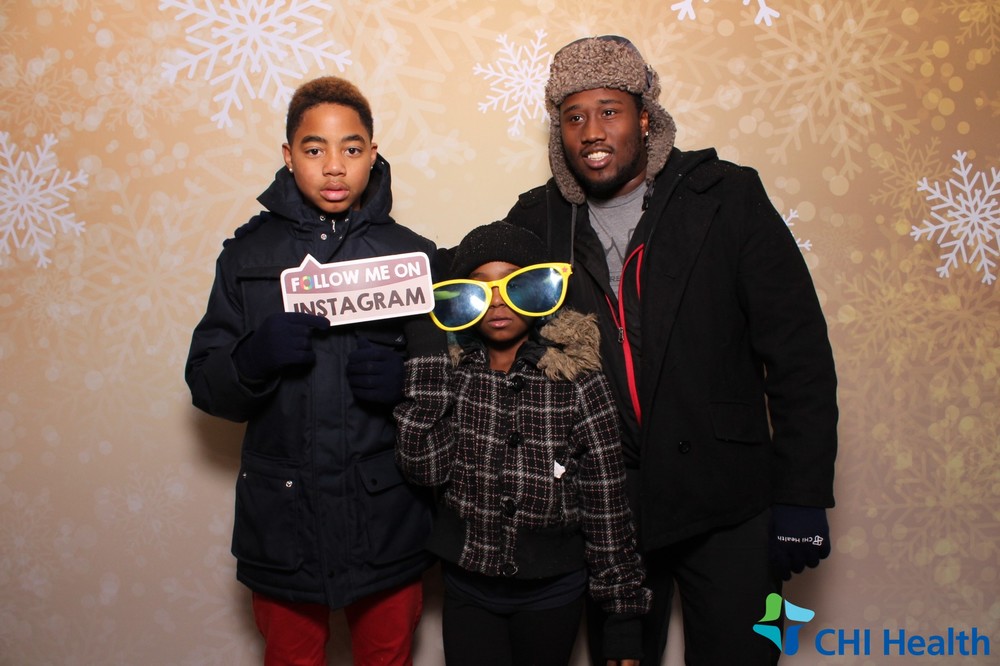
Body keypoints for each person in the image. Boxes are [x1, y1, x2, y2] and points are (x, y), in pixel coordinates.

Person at [502, 36, 839, 665]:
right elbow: (484, 311)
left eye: (609, 110)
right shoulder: (537, 221)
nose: (591, 131)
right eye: (574, 116)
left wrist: (802, 493)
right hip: (610, 508)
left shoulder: (727, 196)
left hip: (730, 499)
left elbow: (800, 355)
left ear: (644, 117)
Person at [185, 76, 436, 666]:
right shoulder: (245, 257)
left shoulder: (415, 257)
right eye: (314, 148)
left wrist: (407, 384)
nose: (334, 167)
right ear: (288, 155)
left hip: (386, 518)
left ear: (372, 154)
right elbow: (206, 385)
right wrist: (254, 357)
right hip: (284, 522)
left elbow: (454, 387)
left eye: (351, 148)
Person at [393, 221, 651, 666]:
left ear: (540, 290)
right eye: (481, 288)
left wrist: (623, 617)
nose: (497, 301)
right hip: (468, 588)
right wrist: (426, 350)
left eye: (514, 284)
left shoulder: (577, 380)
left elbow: (606, 501)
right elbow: (424, 468)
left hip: (553, 591)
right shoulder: (453, 373)